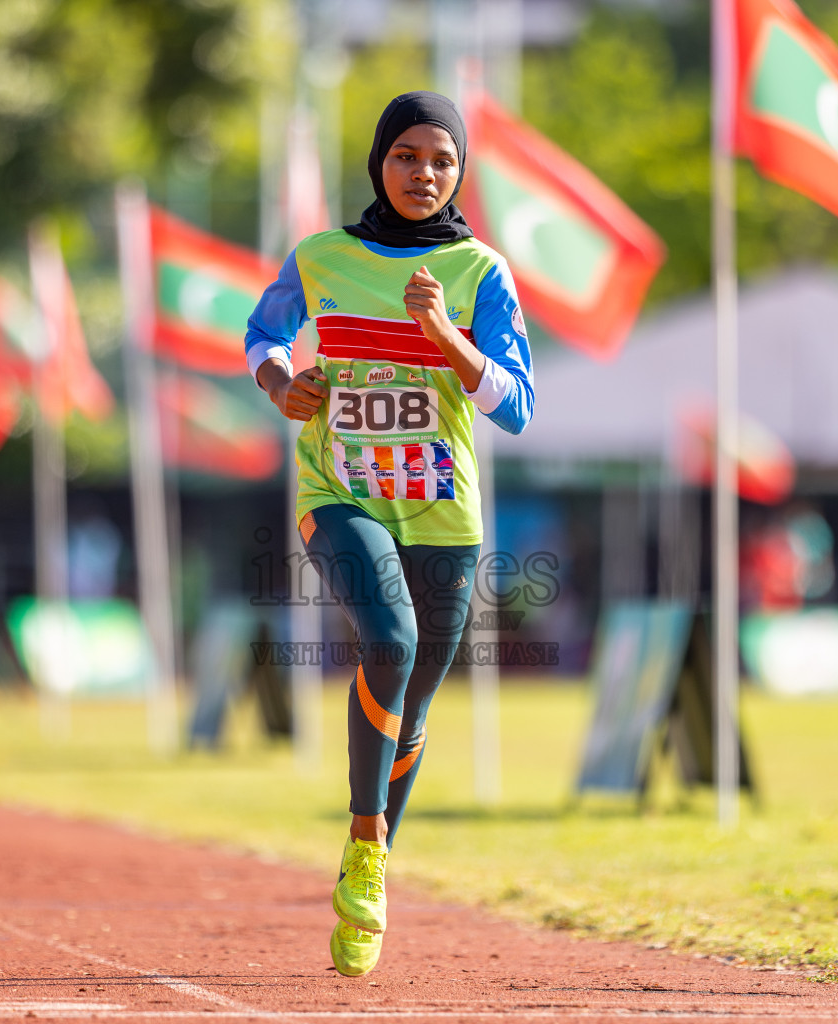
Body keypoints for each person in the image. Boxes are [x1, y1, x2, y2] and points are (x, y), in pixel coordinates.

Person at [244, 91, 534, 977]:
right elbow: (265, 331)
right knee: (391, 642)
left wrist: (443, 332)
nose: (423, 173)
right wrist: (280, 381)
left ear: (460, 173)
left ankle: (366, 869)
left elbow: (517, 405)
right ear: (380, 162)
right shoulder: (321, 256)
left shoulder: (480, 271)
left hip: (443, 513)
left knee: (412, 707)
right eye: (406, 155)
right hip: (340, 491)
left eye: (442, 161)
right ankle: (368, 840)